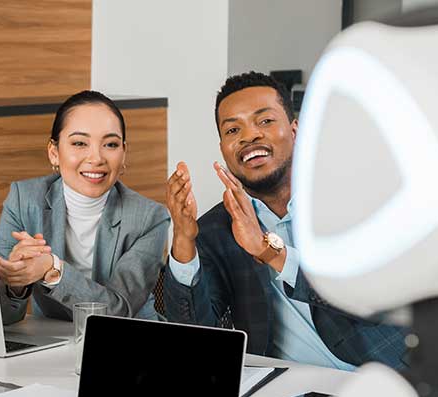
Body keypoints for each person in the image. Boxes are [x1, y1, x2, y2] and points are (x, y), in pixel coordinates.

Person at [162, 71, 408, 369]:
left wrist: (268, 251)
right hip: (284, 394)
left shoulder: (351, 196)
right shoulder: (215, 228)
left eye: (265, 121)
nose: (249, 136)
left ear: (295, 130)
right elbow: (195, 336)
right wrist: (184, 242)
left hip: (379, 376)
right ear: (223, 149)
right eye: (232, 131)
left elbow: (368, 300)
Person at [0, 90, 170, 324]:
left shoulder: (150, 218)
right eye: (79, 143)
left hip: (131, 343)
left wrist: (52, 270)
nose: (96, 158)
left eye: (110, 144)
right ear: (54, 153)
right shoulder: (22, 199)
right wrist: (15, 283)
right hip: (51, 342)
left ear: (124, 153)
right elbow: (4, 317)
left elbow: (118, 312)